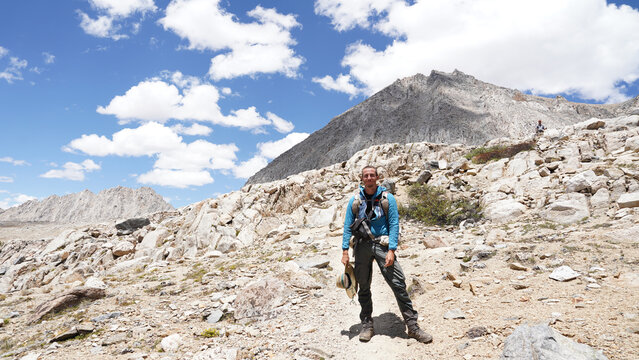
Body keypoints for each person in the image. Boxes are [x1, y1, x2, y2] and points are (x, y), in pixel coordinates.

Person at [341, 165, 432, 343]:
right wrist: (345, 250)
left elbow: (394, 224)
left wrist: (392, 249)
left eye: (372, 175)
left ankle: (413, 327)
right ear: (362, 178)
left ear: (377, 177)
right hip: (361, 247)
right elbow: (347, 226)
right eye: (366, 175)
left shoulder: (387, 198)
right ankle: (367, 325)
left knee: (398, 283)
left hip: (382, 246)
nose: (369, 178)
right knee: (364, 287)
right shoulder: (354, 200)